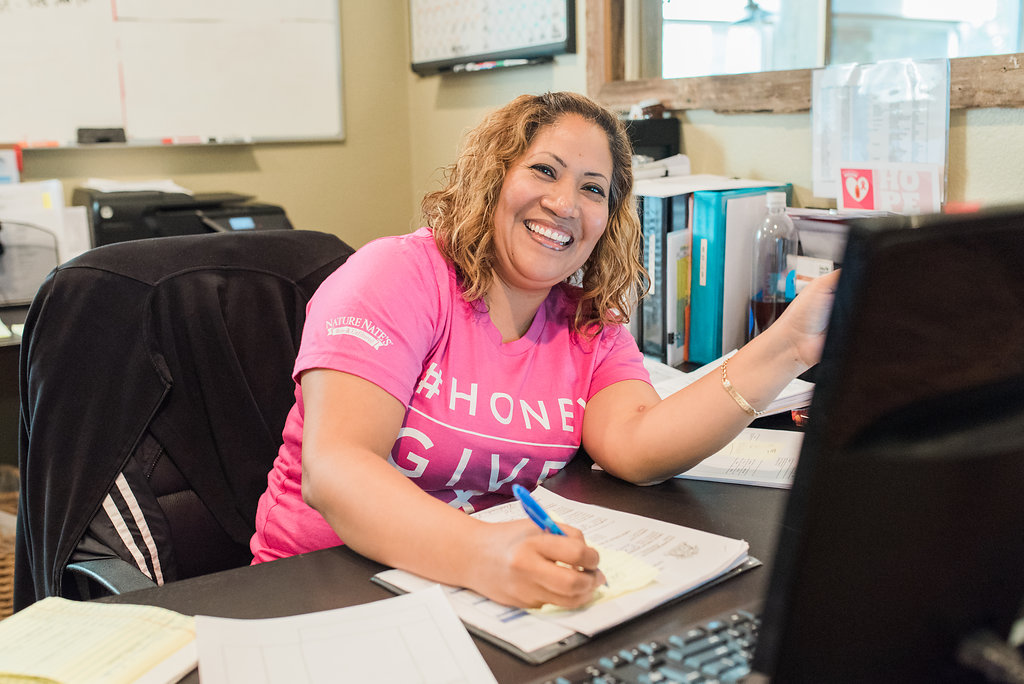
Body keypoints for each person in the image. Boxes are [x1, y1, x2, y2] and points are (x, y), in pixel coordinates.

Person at [250, 91, 839, 610]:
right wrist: (481, 554)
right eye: (544, 171)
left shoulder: (587, 321)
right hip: (325, 589)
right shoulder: (397, 275)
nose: (564, 204)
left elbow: (638, 445)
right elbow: (336, 470)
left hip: (473, 596)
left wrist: (789, 343)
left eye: (592, 189)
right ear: (493, 178)